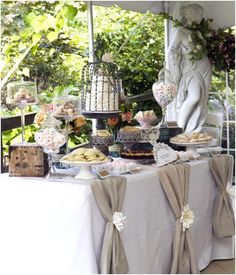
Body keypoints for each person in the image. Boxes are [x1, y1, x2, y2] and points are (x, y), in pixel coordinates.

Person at [166, 4, 212, 132]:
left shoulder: (198, 33)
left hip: (204, 67)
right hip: (190, 68)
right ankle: (180, 130)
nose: (201, 17)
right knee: (194, 97)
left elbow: (203, 50)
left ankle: (194, 129)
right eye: (199, 14)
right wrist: (182, 53)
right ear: (191, 15)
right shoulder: (181, 31)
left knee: (202, 99)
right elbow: (171, 50)